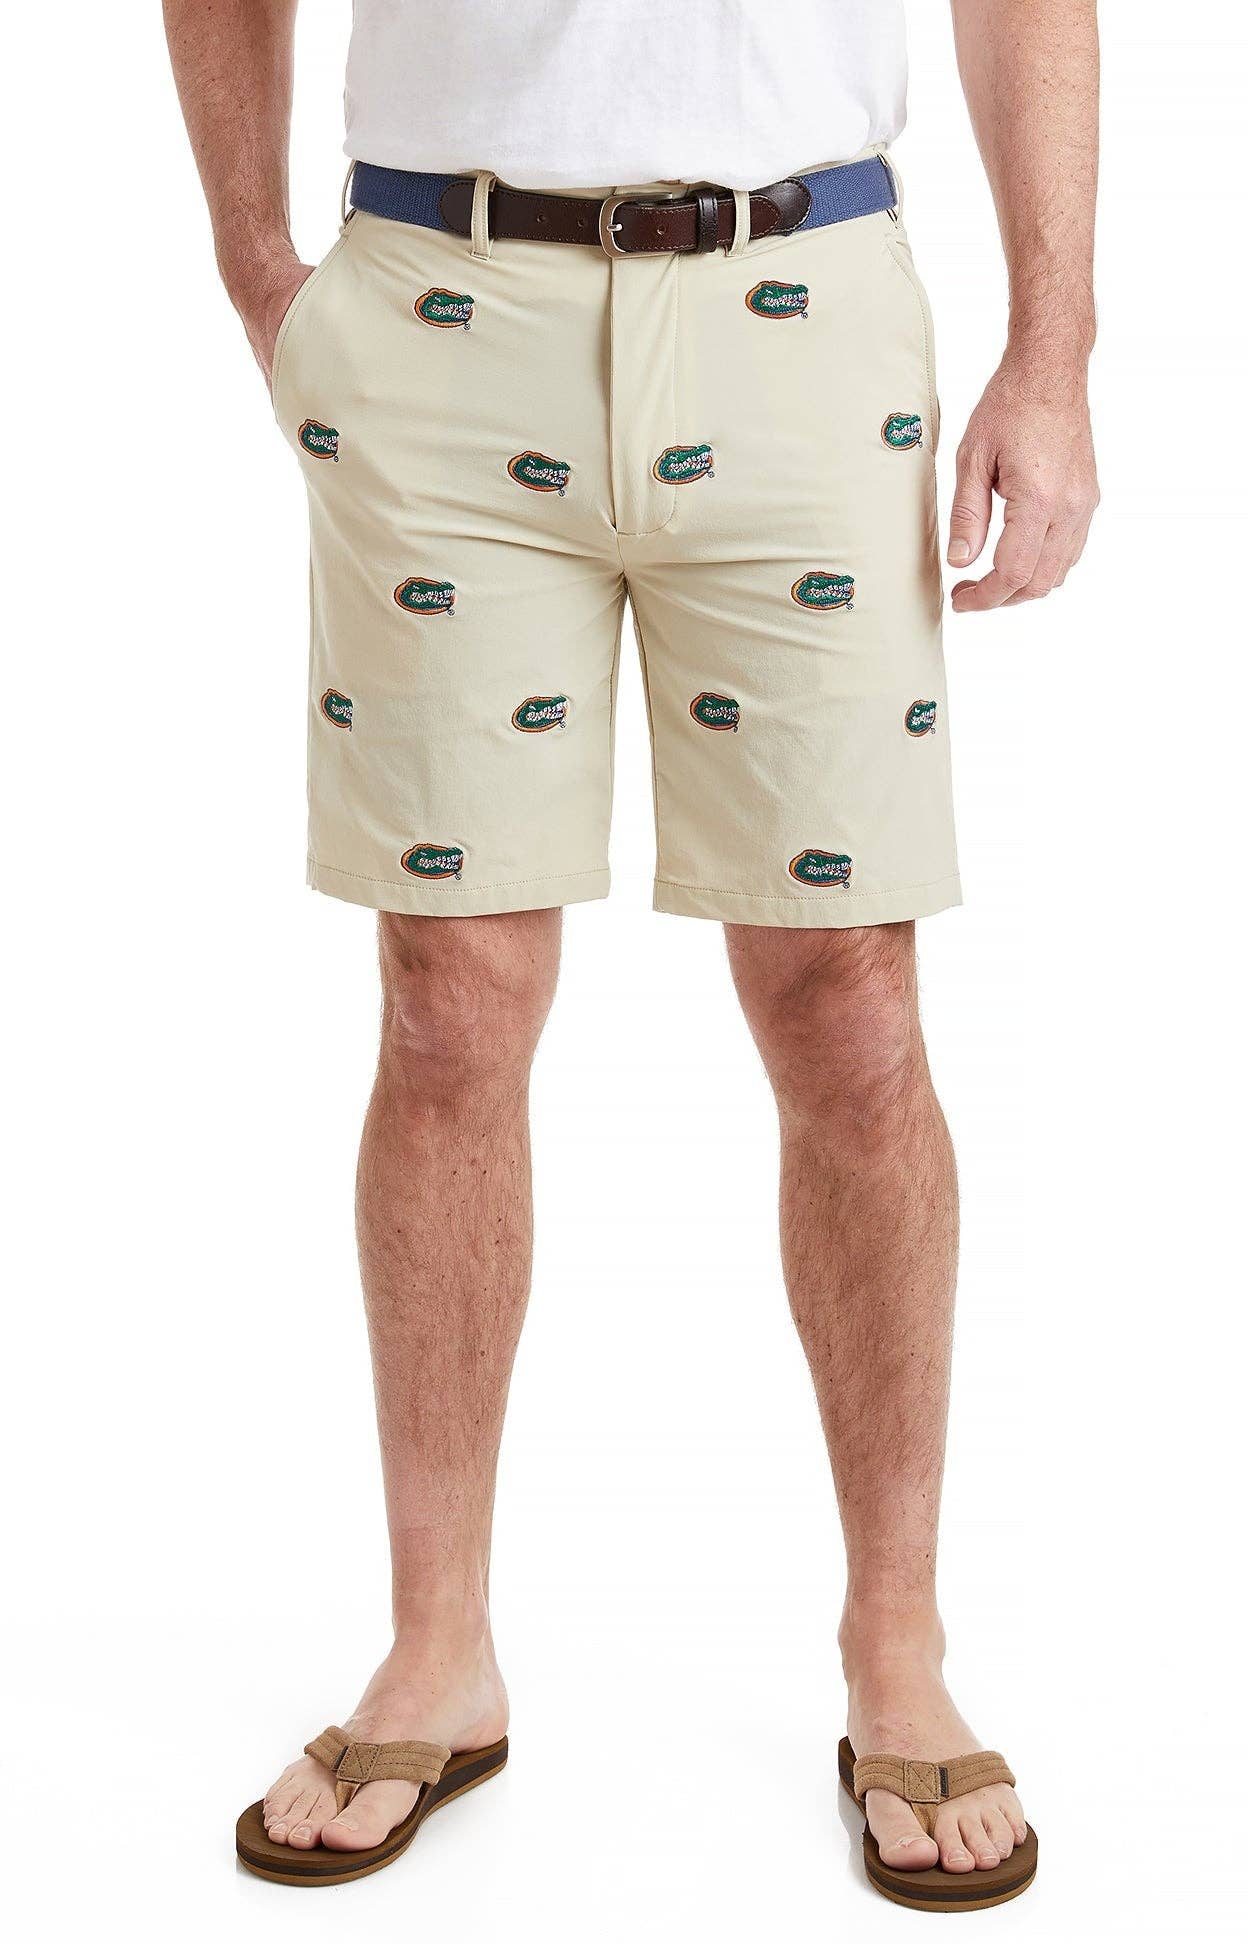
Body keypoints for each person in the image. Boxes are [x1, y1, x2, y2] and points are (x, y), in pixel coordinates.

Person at [165, 0, 1098, 1907]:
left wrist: (1055, 343)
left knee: (848, 1003)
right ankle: (439, 1650)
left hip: (802, 301)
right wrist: (258, 263)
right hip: (440, 307)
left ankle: (898, 1647)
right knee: (448, 1007)